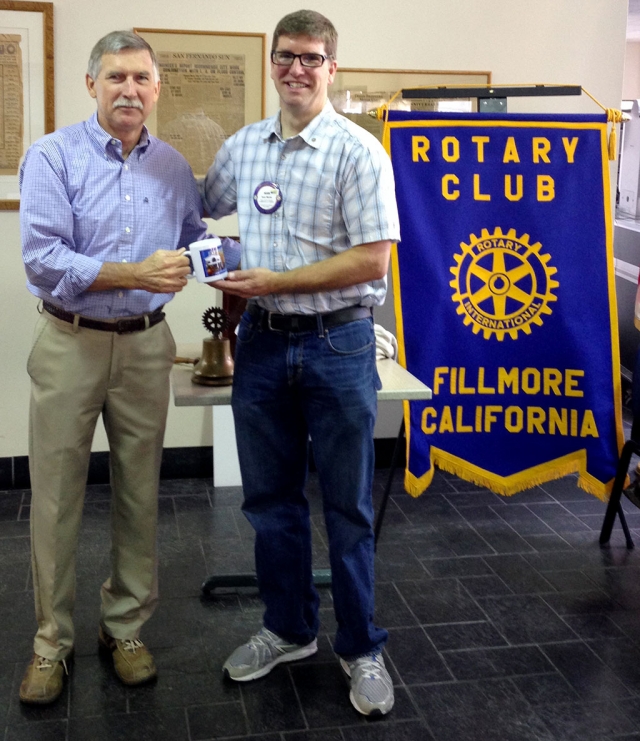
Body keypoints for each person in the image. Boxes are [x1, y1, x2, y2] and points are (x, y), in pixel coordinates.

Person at [18, 30, 238, 704]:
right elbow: (43, 260)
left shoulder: (173, 166)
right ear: (92, 85)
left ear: (156, 88)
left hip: (146, 344)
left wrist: (235, 255)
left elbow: (194, 243)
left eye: (141, 79)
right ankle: (51, 644)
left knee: (142, 493)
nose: (129, 91)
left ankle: (125, 628)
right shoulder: (52, 157)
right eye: (116, 78)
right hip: (70, 341)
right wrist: (132, 271)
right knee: (55, 497)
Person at [201, 10, 400, 717]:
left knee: (345, 507)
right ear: (273, 62)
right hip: (260, 342)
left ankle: (361, 646)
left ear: (331, 67)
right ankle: (288, 629)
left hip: (339, 344)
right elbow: (200, 206)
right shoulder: (243, 147)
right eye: (286, 56)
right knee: (270, 503)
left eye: (312, 58)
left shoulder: (357, 151)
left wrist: (275, 280)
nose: (296, 69)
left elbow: (372, 257)